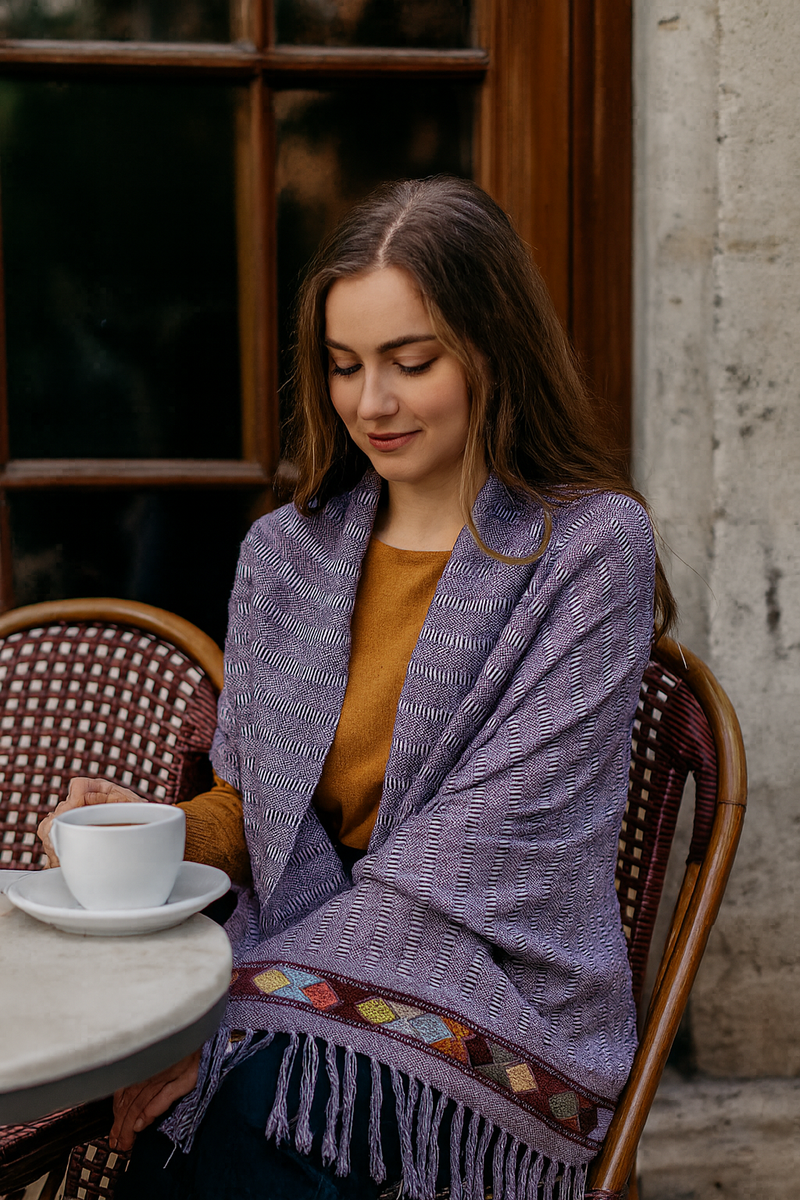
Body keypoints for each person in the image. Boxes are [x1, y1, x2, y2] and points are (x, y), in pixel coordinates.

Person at [38, 176, 675, 1200]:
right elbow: (265, 814)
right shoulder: (283, 556)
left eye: (408, 362)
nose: (370, 402)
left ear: (490, 350)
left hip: (495, 984)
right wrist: (151, 831)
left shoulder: (587, 551)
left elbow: (482, 848)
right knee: (184, 1123)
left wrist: (234, 1008)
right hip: (297, 951)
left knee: (244, 1112)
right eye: (343, 367)